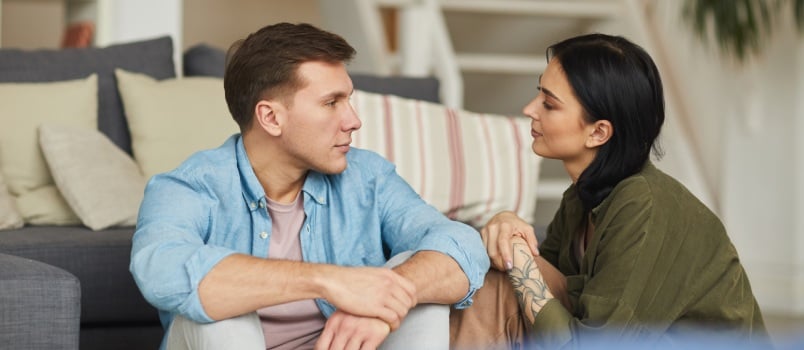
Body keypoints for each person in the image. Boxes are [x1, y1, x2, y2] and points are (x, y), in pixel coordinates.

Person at [130, 22, 489, 350]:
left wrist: (382, 301)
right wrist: (330, 282)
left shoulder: (368, 178)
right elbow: (159, 269)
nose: (353, 120)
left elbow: (460, 244)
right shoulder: (187, 187)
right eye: (331, 103)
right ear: (270, 117)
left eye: (348, 100)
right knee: (220, 310)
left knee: (412, 278)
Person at [450, 33, 769, 349]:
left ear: (598, 132)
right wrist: (506, 225)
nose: (529, 109)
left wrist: (517, 259)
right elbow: (541, 290)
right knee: (496, 281)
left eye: (548, 103)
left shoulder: (641, 207)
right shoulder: (580, 197)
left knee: (503, 279)